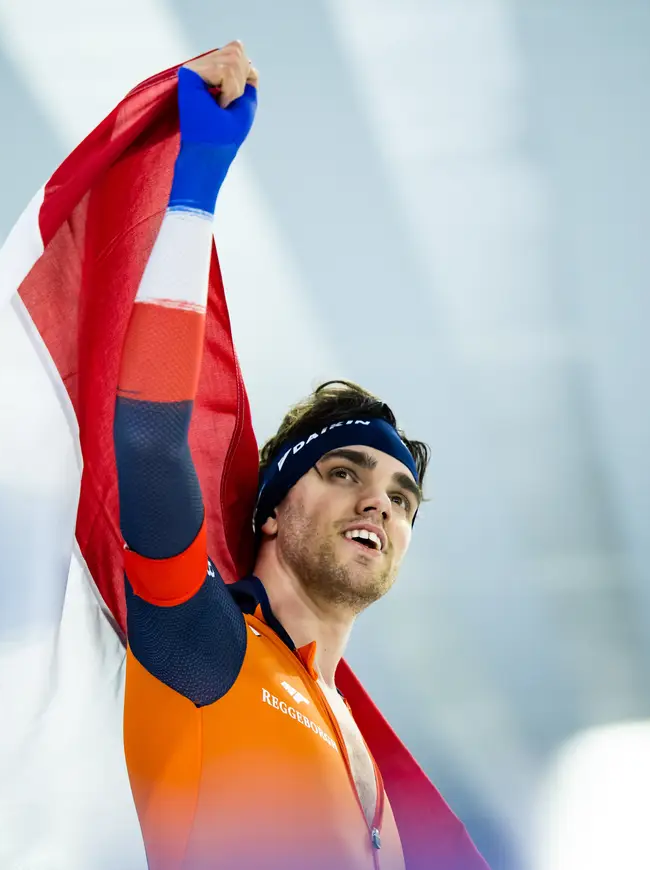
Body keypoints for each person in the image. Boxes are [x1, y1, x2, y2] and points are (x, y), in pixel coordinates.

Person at [115, 41, 431, 870]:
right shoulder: (203, 645)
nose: (380, 503)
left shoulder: (370, 757)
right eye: (343, 473)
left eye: (402, 497)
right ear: (271, 512)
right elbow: (149, 444)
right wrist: (197, 180)